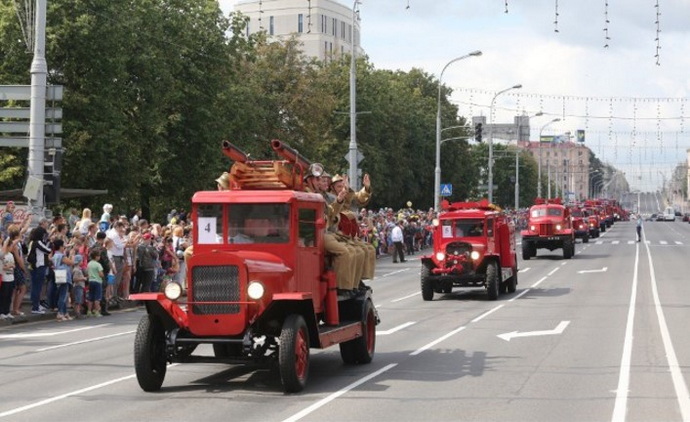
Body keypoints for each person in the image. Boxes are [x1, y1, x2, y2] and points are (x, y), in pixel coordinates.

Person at [86, 249, 104, 317]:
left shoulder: (89, 264)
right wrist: (103, 276)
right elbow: (101, 274)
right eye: (99, 256)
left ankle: (89, 311)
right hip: (97, 281)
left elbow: (87, 272)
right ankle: (97, 311)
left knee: (90, 297)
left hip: (90, 281)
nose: (99, 257)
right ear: (96, 257)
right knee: (97, 298)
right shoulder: (98, 264)